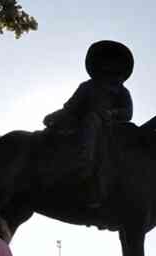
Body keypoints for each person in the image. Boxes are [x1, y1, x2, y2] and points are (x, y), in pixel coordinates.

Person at [43, 40, 134, 208]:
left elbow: (128, 113)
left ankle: (85, 172)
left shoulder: (121, 91)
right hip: (78, 122)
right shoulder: (87, 86)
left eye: (112, 61)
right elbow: (71, 106)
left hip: (107, 127)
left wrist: (111, 114)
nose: (108, 64)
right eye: (105, 60)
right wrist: (57, 115)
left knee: (94, 123)